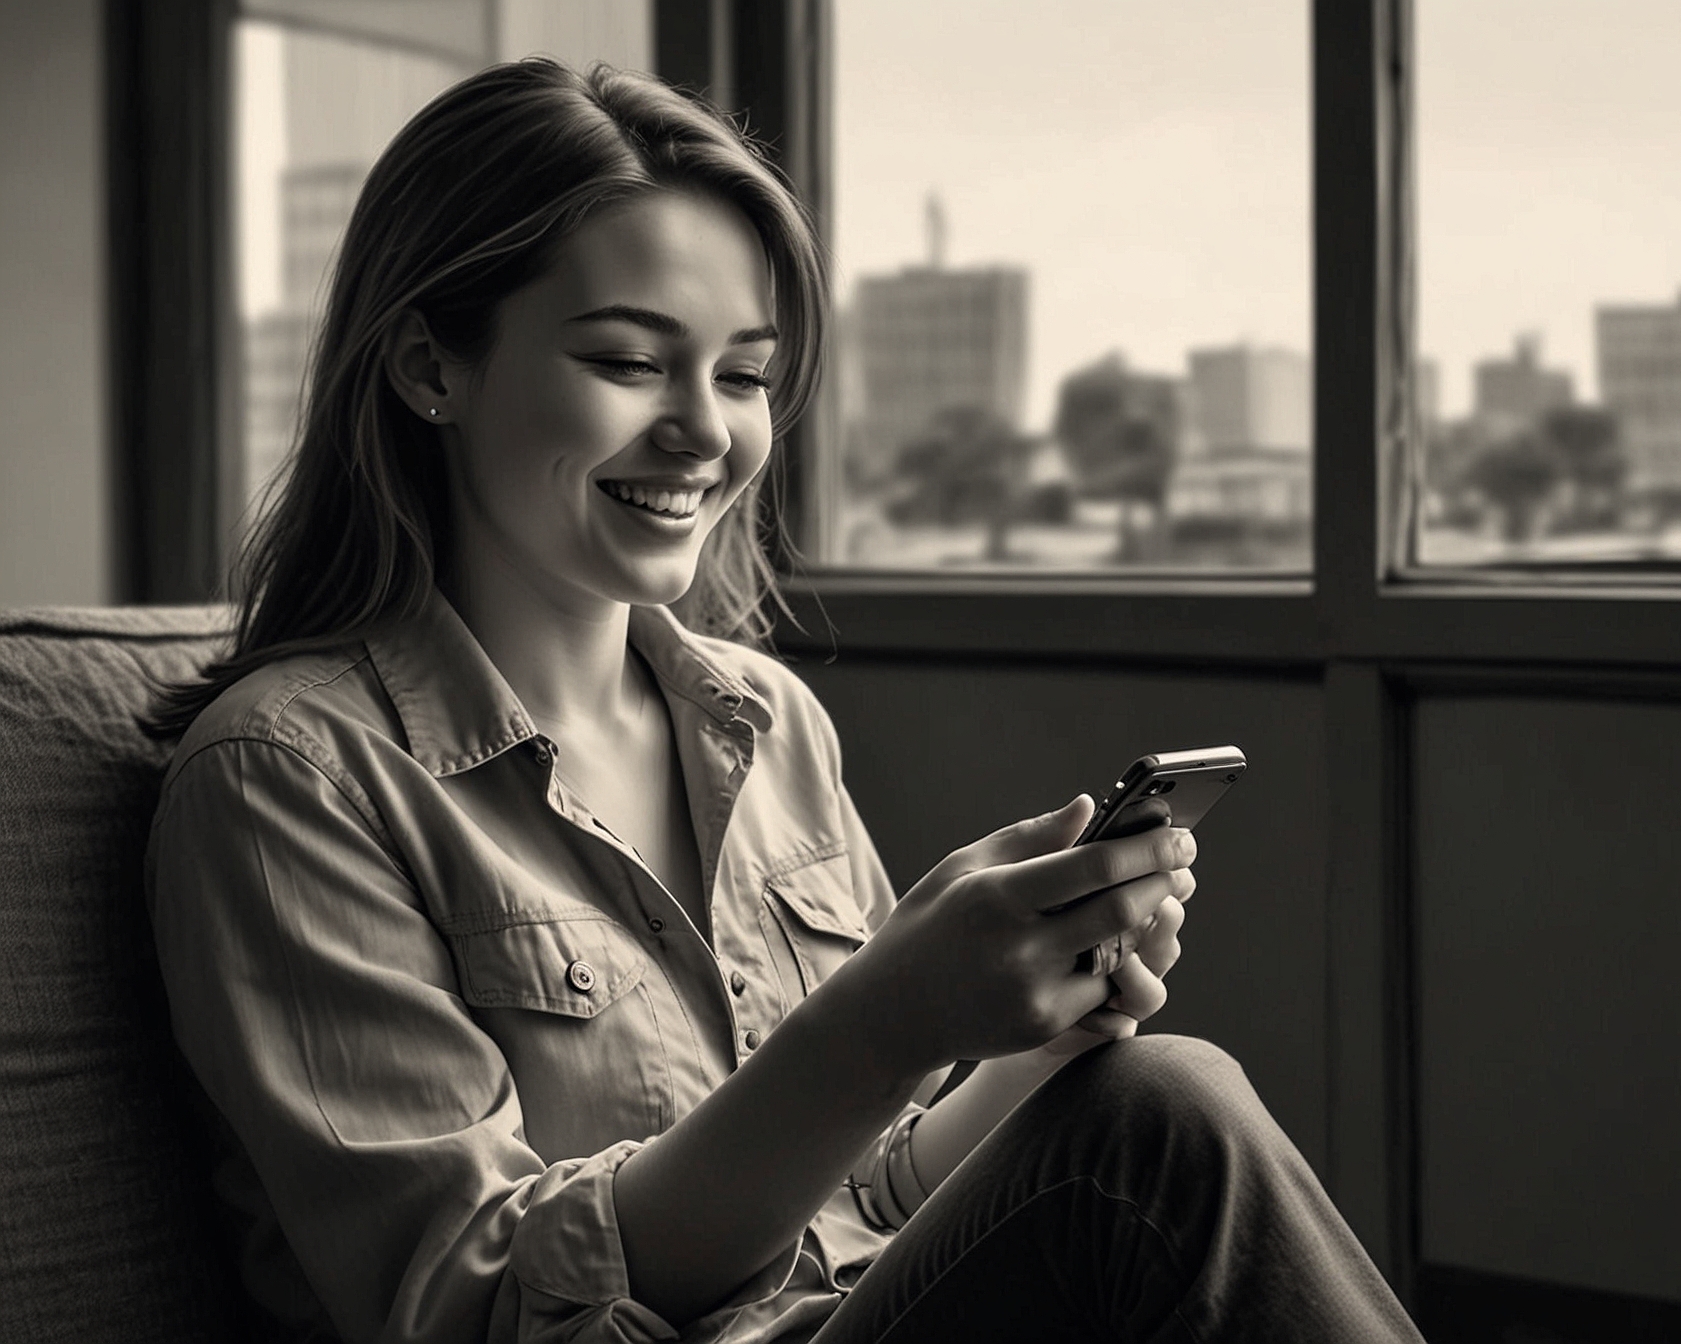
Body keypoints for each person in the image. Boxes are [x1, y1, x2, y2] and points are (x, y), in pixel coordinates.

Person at [145, 58, 1424, 1344]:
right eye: (630, 361)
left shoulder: (762, 719)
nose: (705, 432)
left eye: (745, 375)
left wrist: (1030, 1044)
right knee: (1163, 1122)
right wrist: (877, 1028)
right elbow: (471, 1307)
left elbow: (872, 1194)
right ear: (430, 364)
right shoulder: (286, 778)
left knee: (1133, 1093)